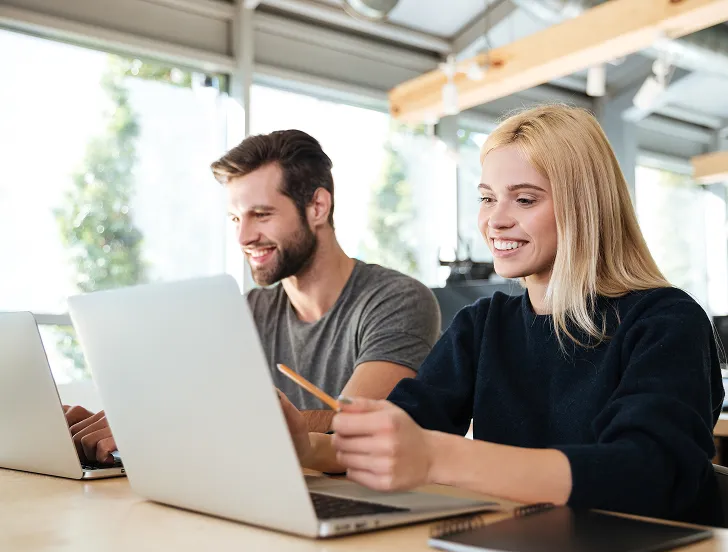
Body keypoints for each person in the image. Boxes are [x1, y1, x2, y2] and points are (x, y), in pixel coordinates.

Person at [278, 104, 725, 526]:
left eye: (525, 200)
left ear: (585, 207)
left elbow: (645, 473)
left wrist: (439, 457)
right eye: (487, 198)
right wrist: (308, 446)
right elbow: (402, 431)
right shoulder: (485, 323)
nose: (495, 220)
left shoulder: (666, 320)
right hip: (523, 546)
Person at [65, 129, 441, 464]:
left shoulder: (398, 300)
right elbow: (191, 403)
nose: (244, 237)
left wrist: (198, 423)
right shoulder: (248, 310)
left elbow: (350, 423)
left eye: (261, 215)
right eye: (235, 218)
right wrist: (132, 419)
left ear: (317, 207)